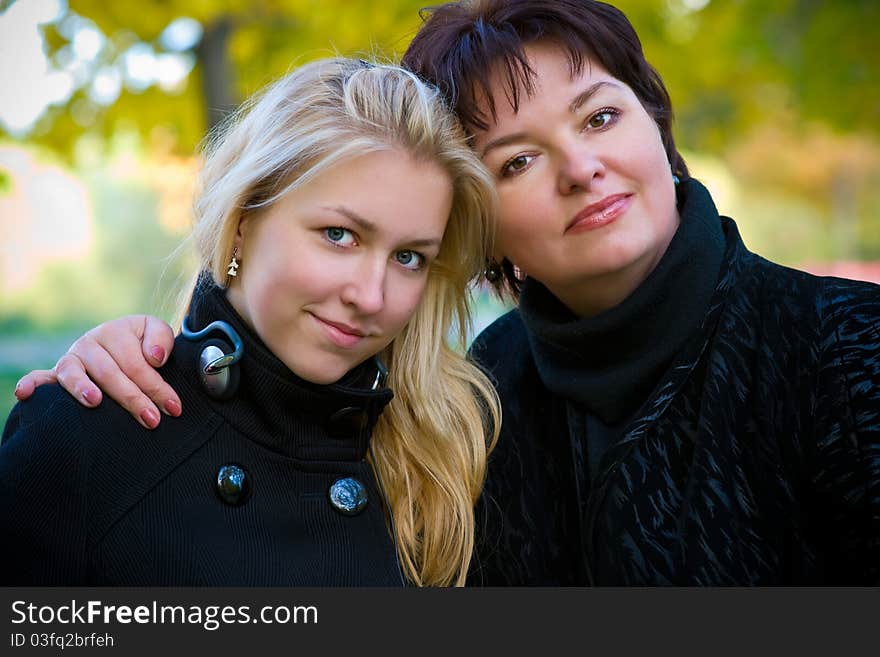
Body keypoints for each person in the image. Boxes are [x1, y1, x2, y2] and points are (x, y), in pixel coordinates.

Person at [15, 0, 880, 585]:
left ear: (655, 118)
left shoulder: (842, 347)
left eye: (601, 116)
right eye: (518, 160)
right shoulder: (473, 405)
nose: (582, 168)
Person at [1, 57, 501, 586]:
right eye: (339, 235)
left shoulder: (444, 458)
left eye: (408, 257)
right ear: (243, 220)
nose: (371, 297)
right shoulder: (88, 433)